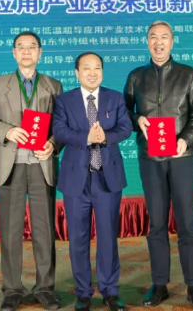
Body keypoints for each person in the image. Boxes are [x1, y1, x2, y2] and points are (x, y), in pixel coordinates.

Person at [124, 21, 193, 309]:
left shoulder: (188, 74)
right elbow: (125, 112)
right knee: (156, 223)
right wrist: (137, 119)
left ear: (172, 41)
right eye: (153, 37)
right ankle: (159, 284)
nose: (158, 42)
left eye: (164, 37)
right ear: (147, 42)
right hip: (151, 158)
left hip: (181, 158)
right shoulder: (136, 76)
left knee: (187, 222)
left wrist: (186, 139)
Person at [0, 32, 62, 311]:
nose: (26, 51)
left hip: (41, 165)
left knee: (44, 231)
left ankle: (45, 288)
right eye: (21, 47)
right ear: (14, 53)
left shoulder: (53, 85)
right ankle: (12, 289)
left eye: (32, 47)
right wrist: (8, 131)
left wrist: (53, 144)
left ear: (40, 52)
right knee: (11, 231)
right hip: (10, 165)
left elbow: (61, 125)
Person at [53, 52, 132, 311]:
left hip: (107, 176)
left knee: (108, 235)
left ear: (102, 72)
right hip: (76, 177)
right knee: (78, 237)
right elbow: (59, 130)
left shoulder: (115, 97)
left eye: (97, 67)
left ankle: (110, 290)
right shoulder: (64, 100)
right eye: (86, 68)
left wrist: (105, 137)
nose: (92, 72)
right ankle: (83, 292)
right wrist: (86, 137)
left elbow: (125, 128)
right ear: (77, 73)